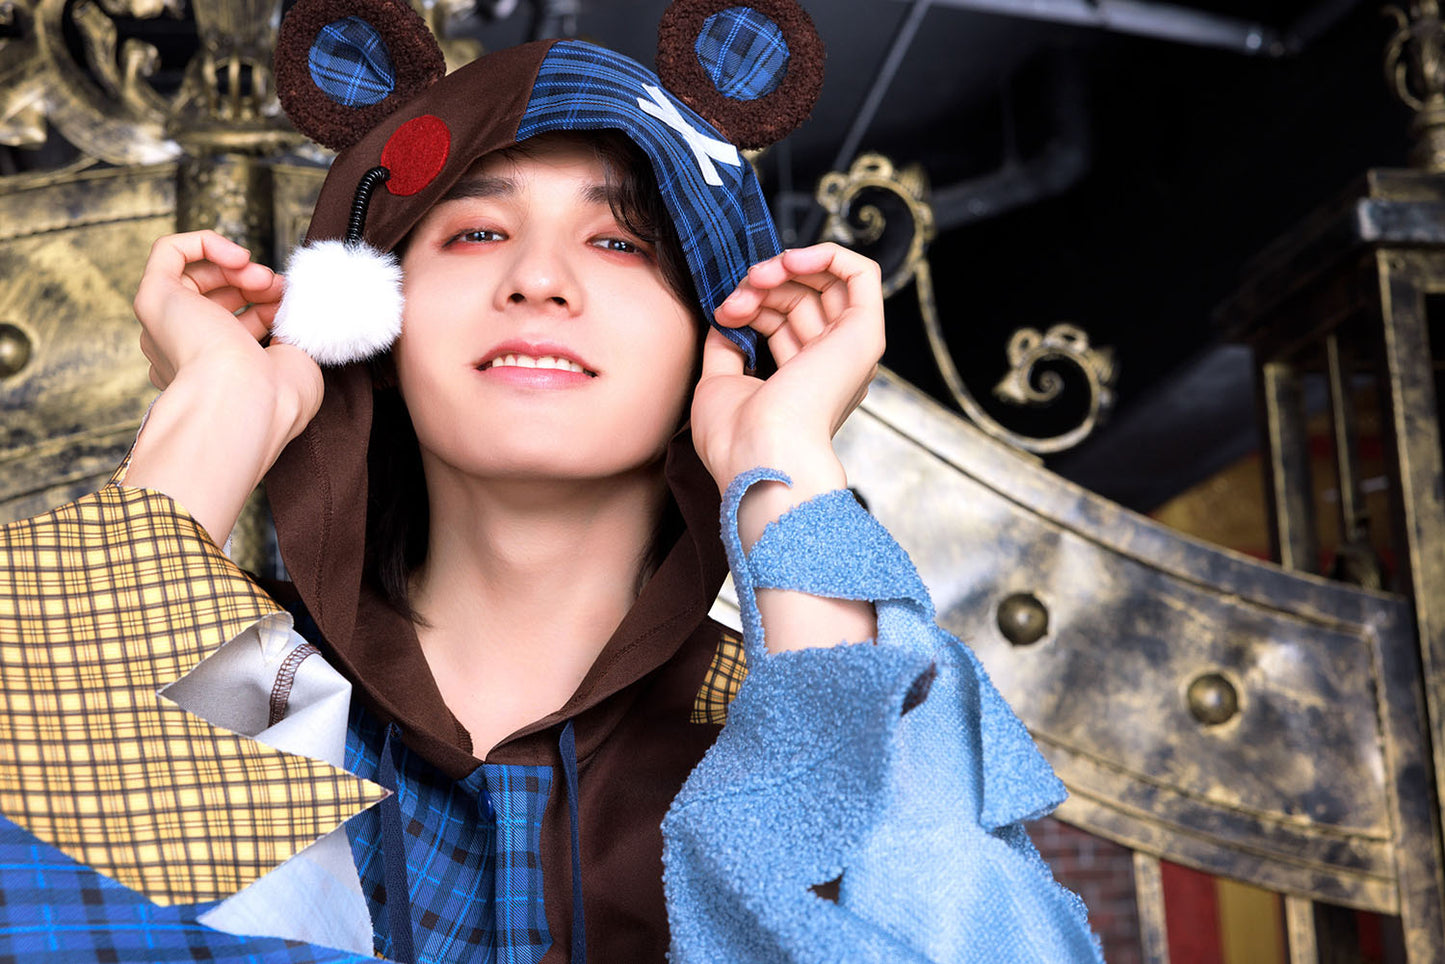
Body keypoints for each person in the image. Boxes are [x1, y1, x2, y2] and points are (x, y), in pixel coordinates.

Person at [0, 0, 1103, 961]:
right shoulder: (247, 681)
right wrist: (215, 417)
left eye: (623, 242)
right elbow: (33, 876)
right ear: (374, 324)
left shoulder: (767, 710)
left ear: (713, 335)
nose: (537, 278)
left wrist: (784, 468)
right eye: (476, 231)